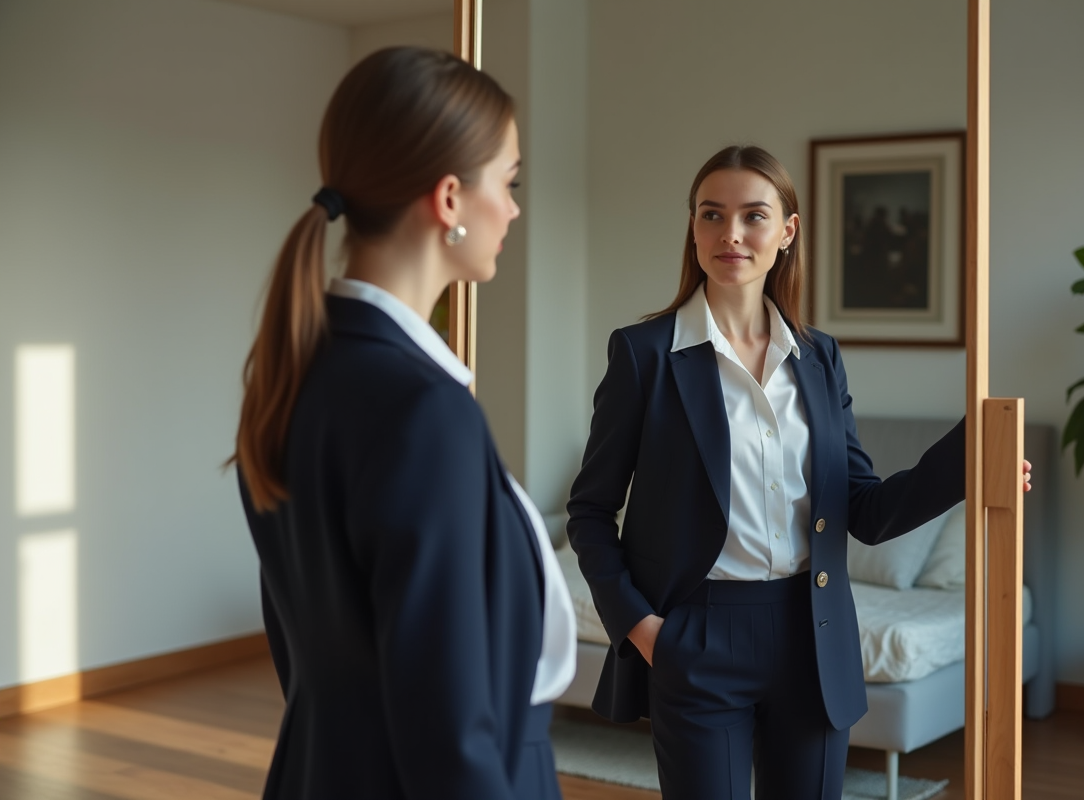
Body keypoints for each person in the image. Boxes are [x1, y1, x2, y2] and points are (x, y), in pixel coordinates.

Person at [566, 145, 1030, 800]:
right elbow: (589, 511)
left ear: (787, 232)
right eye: (711, 214)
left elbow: (864, 510)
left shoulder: (819, 358)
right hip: (696, 636)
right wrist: (645, 633)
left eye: (754, 216)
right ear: (693, 228)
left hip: (812, 637)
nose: (730, 234)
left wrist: (971, 462)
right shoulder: (645, 355)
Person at [231, 46, 574, 800]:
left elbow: (305, 649)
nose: (514, 208)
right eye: (509, 183)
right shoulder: (424, 411)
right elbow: (450, 733)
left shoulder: (295, 368)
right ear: (449, 199)